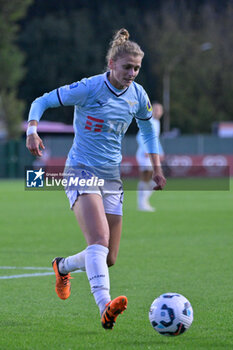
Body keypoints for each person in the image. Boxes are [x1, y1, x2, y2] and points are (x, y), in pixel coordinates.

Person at [26, 28, 166, 330]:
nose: (132, 73)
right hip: (81, 170)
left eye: (137, 68)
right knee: (98, 242)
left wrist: (156, 168)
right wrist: (32, 130)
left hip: (111, 178)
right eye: (127, 67)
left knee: (109, 257)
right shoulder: (89, 88)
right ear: (111, 64)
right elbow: (42, 100)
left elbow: (148, 131)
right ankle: (105, 307)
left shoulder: (139, 95)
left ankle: (62, 266)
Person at [136, 102, 165, 211]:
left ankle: (143, 202)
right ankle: (142, 204)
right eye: (156, 109)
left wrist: (160, 152)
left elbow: (155, 140)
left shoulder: (157, 122)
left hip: (151, 155)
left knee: (154, 180)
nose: (158, 111)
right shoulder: (149, 121)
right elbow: (139, 137)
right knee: (147, 178)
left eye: (159, 110)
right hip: (145, 156)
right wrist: (146, 150)